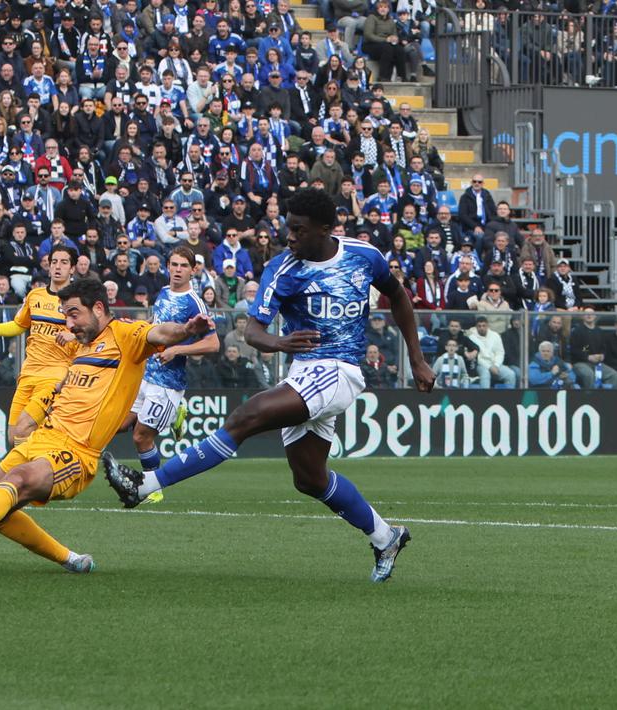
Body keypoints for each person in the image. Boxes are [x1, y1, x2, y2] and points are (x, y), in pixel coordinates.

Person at [101, 188, 435, 583]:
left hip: (340, 369)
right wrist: (277, 342)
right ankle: (386, 536)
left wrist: (415, 357)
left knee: (247, 415)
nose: (289, 237)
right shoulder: (281, 269)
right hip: (304, 372)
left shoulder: (364, 256)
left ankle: (144, 485)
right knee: (309, 478)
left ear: (325, 228)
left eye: (298, 230)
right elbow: (255, 331)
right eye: (287, 228)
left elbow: (398, 296)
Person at [0, 277, 213, 572]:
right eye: (66, 315)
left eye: (73, 314)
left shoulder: (125, 336)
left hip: (75, 452)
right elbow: (62, 388)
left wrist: (186, 329)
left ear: (97, 308)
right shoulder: (80, 349)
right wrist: (38, 410)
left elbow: (160, 333)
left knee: (16, 482)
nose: (69, 324)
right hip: (42, 439)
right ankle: (69, 558)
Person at [120, 247, 219, 472]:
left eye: (184, 266)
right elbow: (156, 323)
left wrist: (176, 351)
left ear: (193, 270)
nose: (177, 270)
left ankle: (152, 487)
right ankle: (175, 415)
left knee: (140, 437)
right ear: (167, 267)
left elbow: (213, 344)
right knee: (118, 425)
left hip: (167, 382)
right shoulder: (164, 292)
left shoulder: (195, 303)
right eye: (174, 265)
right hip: (145, 374)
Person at [0, 245, 76, 442]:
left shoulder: (78, 301)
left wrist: (75, 336)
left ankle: (42, 470)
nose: (58, 266)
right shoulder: (35, 296)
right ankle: (43, 470)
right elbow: (18, 326)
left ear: (73, 269)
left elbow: (95, 333)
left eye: (64, 262)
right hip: (28, 374)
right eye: (54, 262)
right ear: (49, 267)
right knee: (13, 438)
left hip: (54, 376)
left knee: (24, 430)